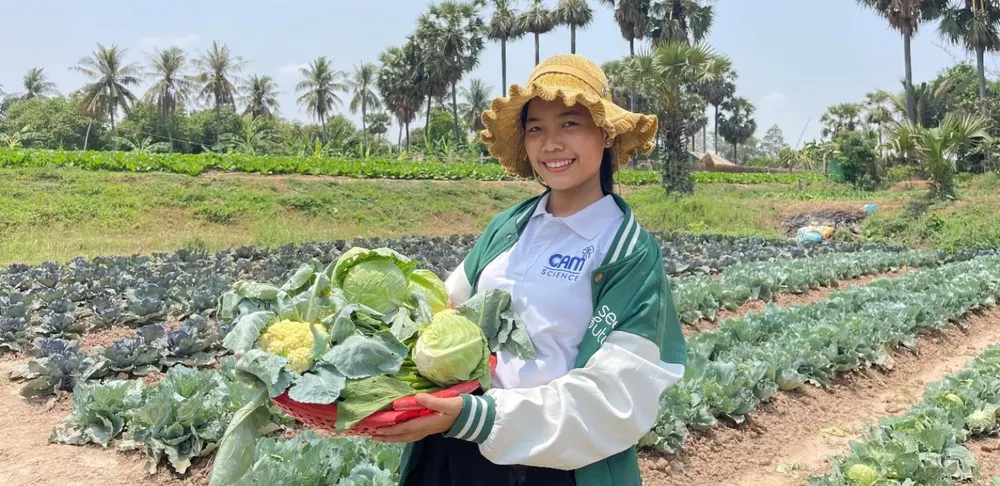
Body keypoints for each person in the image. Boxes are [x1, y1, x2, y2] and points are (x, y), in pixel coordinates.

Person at [372, 54, 687, 486]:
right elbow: (443, 310)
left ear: (607, 134)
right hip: (460, 444)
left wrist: (483, 418)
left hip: (555, 463)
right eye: (536, 128)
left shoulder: (628, 251)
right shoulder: (509, 226)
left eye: (570, 124)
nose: (550, 143)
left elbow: (619, 392)